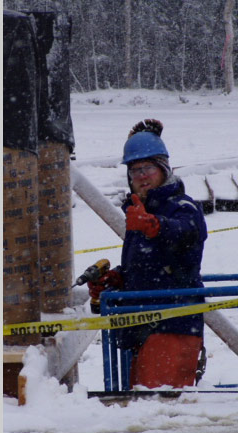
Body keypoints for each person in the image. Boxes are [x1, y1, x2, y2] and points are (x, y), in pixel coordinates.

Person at [88, 119, 207, 389]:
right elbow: (147, 263)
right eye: (135, 170)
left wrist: (155, 226)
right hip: (143, 325)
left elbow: (185, 233)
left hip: (173, 325)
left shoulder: (182, 207)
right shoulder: (138, 211)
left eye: (148, 168)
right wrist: (118, 279)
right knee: (141, 404)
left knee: (158, 412)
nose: (142, 176)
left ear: (164, 168)